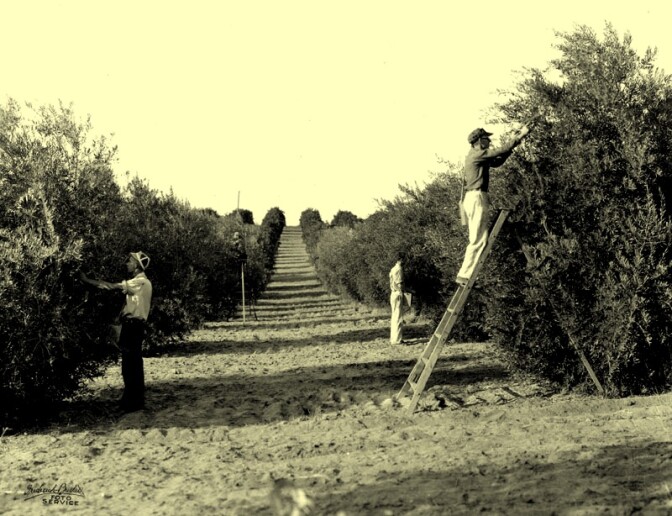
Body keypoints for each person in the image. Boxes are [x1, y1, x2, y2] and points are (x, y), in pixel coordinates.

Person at [456, 125, 530, 286]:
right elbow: (498, 151)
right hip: (477, 197)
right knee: (478, 240)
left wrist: (513, 144)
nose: (489, 141)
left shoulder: (476, 156)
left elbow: (497, 161)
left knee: (477, 238)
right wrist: (518, 137)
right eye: (485, 139)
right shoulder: (477, 155)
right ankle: (465, 275)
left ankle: (466, 274)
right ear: (478, 142)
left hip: (474, 197)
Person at [81, 251, 152, 413]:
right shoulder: (141, 283)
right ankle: (133, 401)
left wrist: (86, 281)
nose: (126, 263)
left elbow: (110, 286)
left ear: (136, 265)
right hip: (134, 326)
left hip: (133, 326)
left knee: (130, 364)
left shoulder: (139, 282)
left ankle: (132, 403)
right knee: (133, 364)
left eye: (129, 261)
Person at [389, 257, 405, 344]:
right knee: (398, 317)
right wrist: (401, 292)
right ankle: (397, 340)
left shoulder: (393, 269)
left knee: (394, 316)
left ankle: (393, 338)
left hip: (393, 293)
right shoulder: (399, 269)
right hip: (397, 293)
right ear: (400, 260)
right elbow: (400, 284)